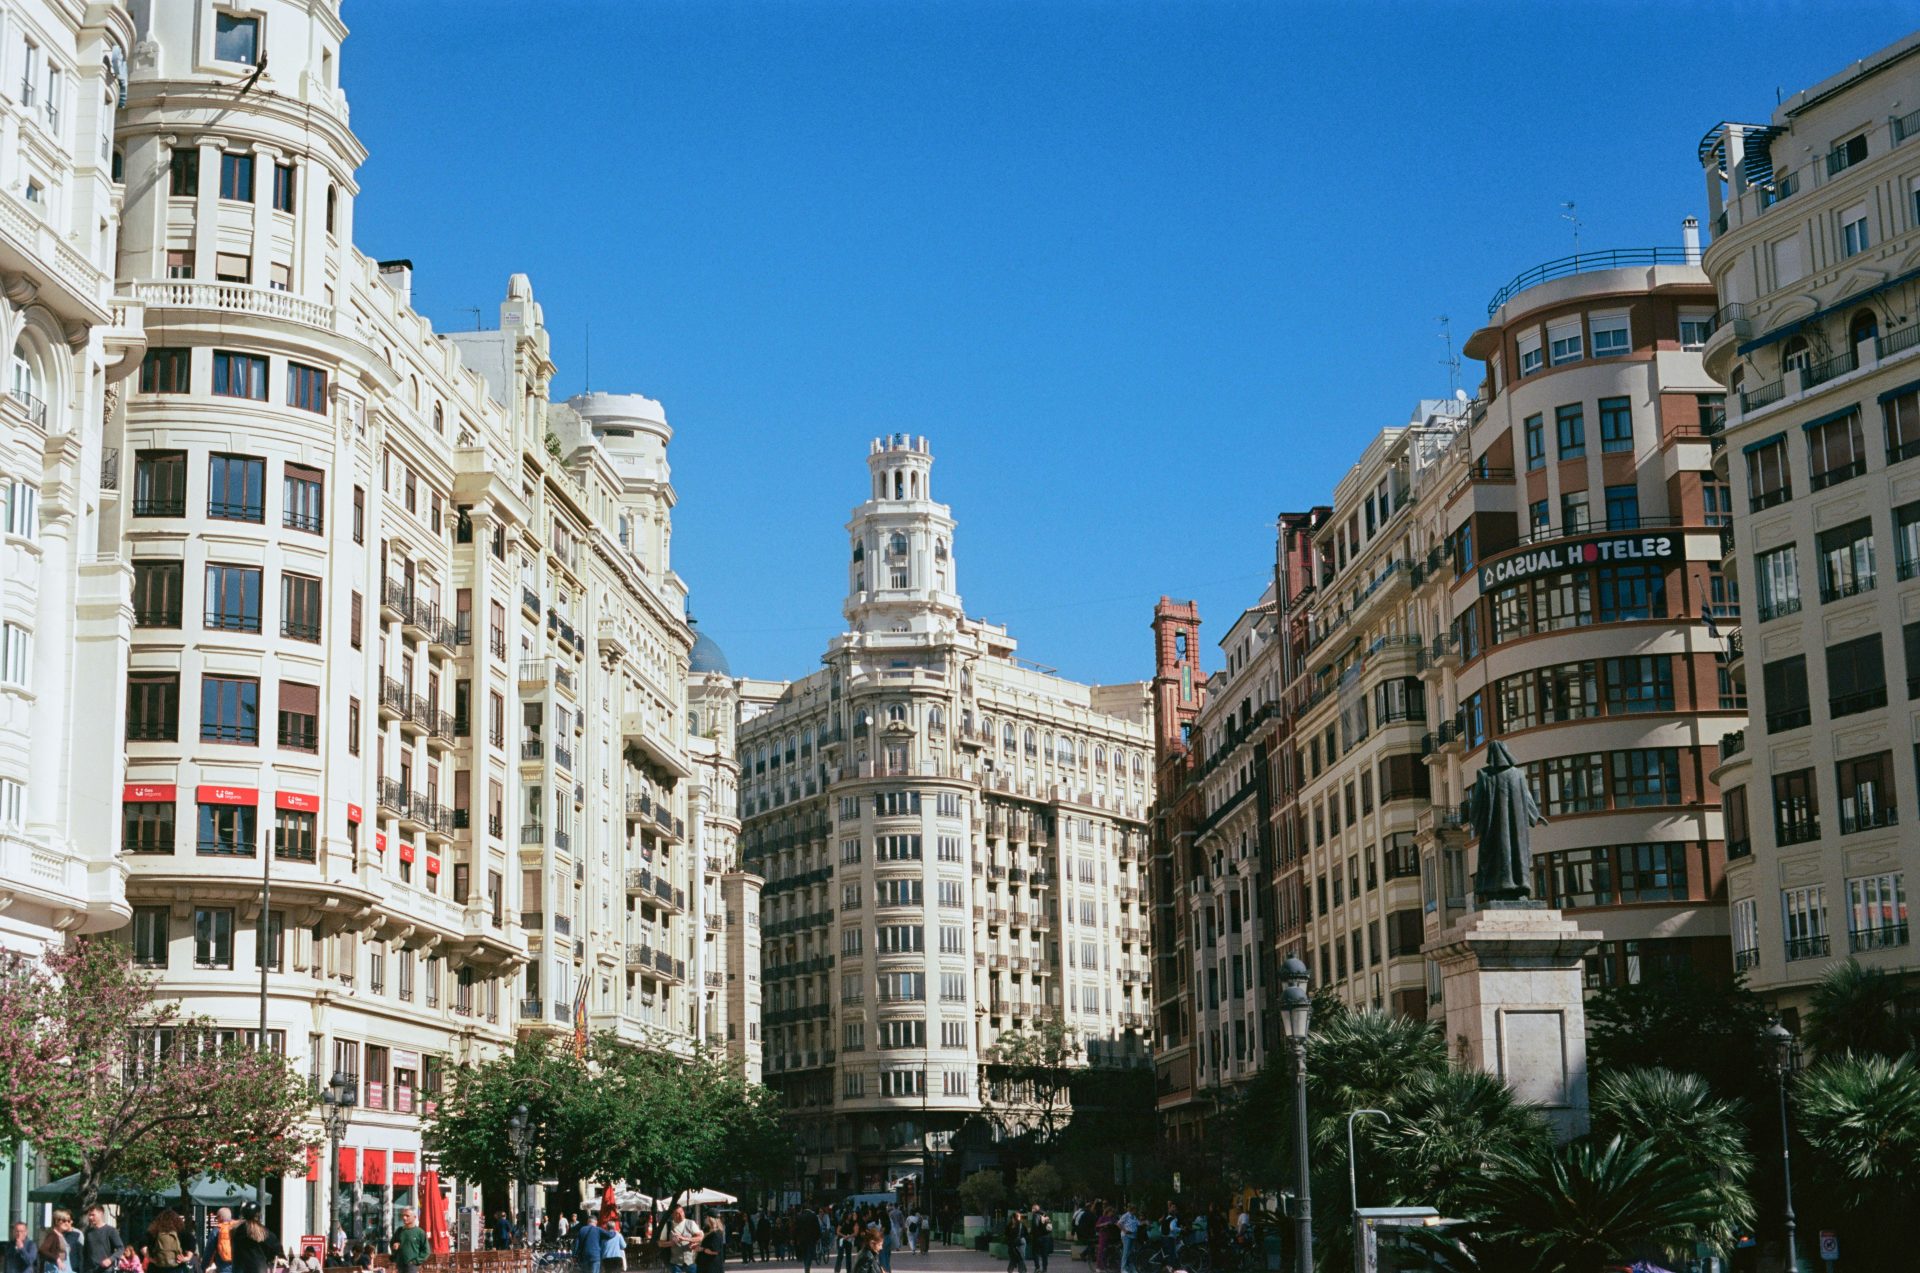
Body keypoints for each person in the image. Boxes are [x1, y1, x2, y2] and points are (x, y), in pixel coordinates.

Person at [660, 1206, 700, 1273]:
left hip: (690, 1262)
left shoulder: (691, 1223)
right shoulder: (667, 1225)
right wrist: (671, 1243)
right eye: (677, 1213)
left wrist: (687, 1239)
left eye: (682, 1212)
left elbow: (699, 1237)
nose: (681, 1215)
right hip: (675, 1263)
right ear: (672, 1215)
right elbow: (660, 1243)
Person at [789, 1204, 820, 1273]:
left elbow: (795, 1229)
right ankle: (807, 1267)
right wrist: (818, 1238)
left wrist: (793, 1238)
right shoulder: (813, 1216)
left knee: (805, 1253)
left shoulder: (799, 1216)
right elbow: (817, 1228)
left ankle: (806, 1265)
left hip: (802, 1239)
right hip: (811, 1239)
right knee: (809, 1253)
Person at [1028, 1207, 1051, 1273]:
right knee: (1044, 1254)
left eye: (1032, 1209)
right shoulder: (1045, 1215)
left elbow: (1035, 1225)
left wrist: (1032, 1233)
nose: (1031, 1210)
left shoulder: (1035, 1215)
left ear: (1035, 1209)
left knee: (1035, 1252)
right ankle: (1045, 1269)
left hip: (1037, 1237)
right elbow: (1049, 1227)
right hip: (1046, 1237)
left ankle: (1037, 1268)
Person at [1115, 1206, 1137, 1273]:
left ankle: (1131, 1267)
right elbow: (1118, 1223)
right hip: (1126, 1236)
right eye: (1135, 1209)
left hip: (1133, 1236)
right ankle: (1123, 1269)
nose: (1136, 1211)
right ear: (1132, 1209)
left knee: (1131, 1252)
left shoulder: (1134, 1217)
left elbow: (1137, 1223)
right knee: (1126, 1252)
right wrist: (1124, 1230)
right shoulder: (1126, 1215)